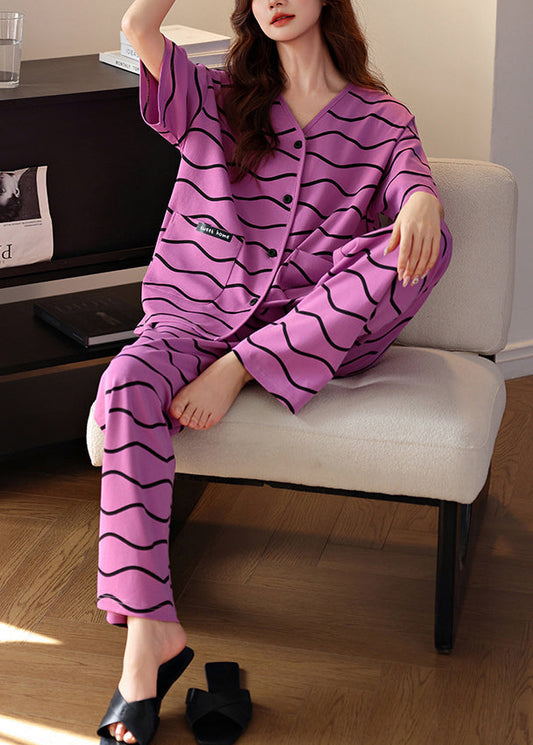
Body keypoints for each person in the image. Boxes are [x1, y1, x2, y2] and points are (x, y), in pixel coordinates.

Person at [95, 0, 451, 742]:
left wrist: (420, 200)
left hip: (310, 327)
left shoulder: (381, 118)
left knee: (424, 243)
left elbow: (409, 180)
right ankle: (150, 635)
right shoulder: (217, 98)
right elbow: (138, 28)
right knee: (127, 381)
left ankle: (244, 366)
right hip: (193, 314)